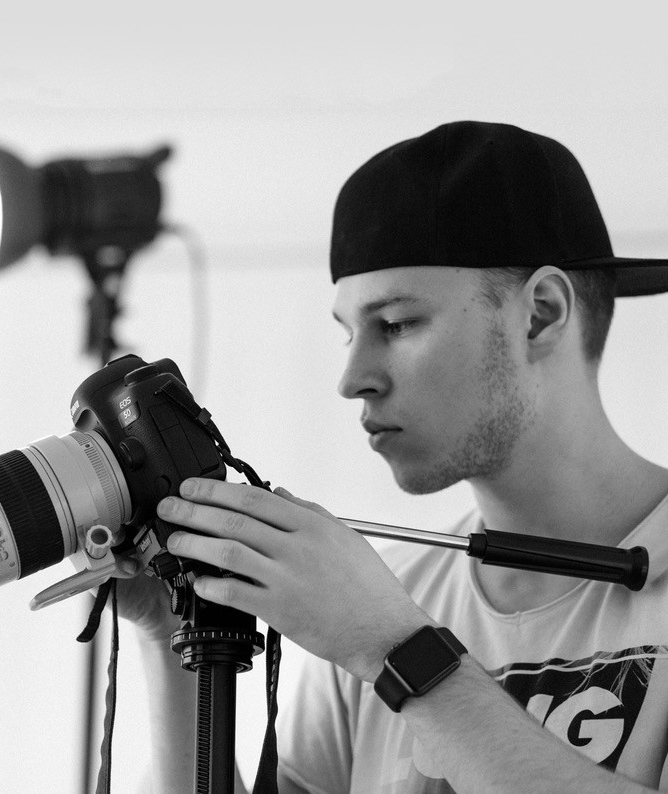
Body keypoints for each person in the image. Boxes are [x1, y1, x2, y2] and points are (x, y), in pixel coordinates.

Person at [115, 120, 668, 793]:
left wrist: (396, 651)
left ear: (541, 314)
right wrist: (171, 633)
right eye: (349, 334)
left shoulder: (374, 619)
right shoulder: (380, 600)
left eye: (397, 324)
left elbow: (384, 637)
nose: (352, 379)